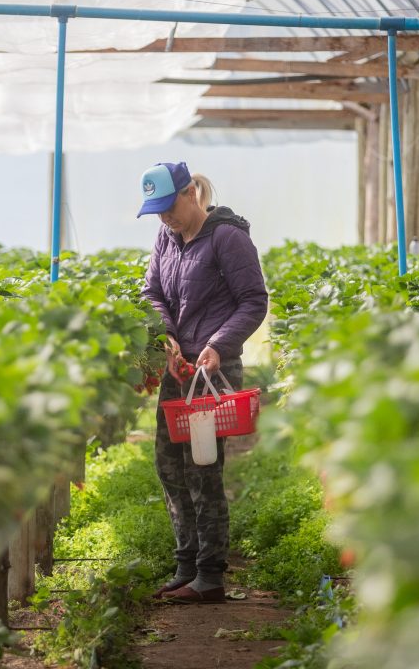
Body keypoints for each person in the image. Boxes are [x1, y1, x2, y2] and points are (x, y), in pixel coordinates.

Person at [138, 161, 268, 604]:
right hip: (179, 368)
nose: (164, 218)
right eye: (157, 211)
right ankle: (186, 563)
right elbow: (152, 292)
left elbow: (253, 301)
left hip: (214, 370)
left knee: (202, 467)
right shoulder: (166, 237)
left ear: (190, 193)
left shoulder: (228, 238)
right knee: (168, 465)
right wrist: (168, 337)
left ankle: (210, 573)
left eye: (169, 207)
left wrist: (217, 345)